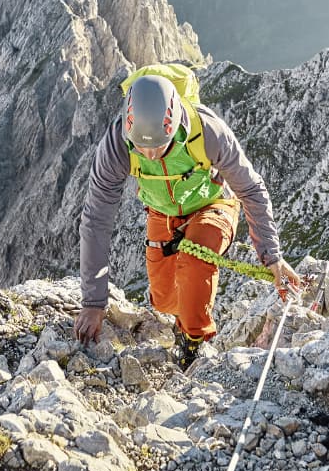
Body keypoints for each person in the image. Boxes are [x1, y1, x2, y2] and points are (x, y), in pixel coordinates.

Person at [75, 70, 302, 366]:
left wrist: (272, 257)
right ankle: (182, 321)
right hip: (163, 212)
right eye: (142, 147)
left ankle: (193, 346)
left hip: (214, 203)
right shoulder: (117, 145)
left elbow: (251, 188)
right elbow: (96, 219)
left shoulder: (207, 132)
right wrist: (94, 303)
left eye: (159, 145)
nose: (151, 154)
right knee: (166, 301)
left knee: (196, 262)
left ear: (174, 125)